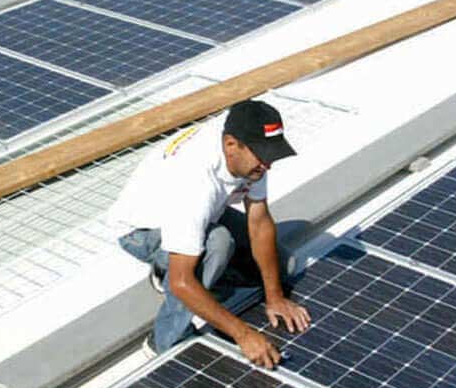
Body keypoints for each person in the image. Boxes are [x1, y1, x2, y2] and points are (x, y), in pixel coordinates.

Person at [112, 99, 310, 368]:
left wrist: (274, 296)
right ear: (230, 145)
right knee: (218, 244)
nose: (267, 166)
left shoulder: (249, 148)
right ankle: (163, 340)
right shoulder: (194, 181)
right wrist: (244, 335)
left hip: (205, 214)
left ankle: (186, 270)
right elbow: (182, 281)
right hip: (143, 229)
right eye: (262, 155)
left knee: (283, 265)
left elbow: (259, 221)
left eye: (271, 155)